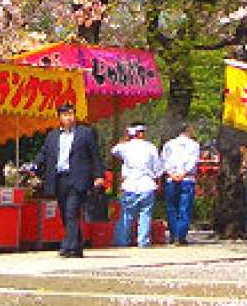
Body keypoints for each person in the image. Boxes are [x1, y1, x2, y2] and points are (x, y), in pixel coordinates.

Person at [34, 101, 104, 258]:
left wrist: (99, 175)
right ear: (59, 117)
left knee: (72, 212)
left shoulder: (85, 133)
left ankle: (68, 246)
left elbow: (95, 155)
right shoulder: (52, 136)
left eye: (71, 114)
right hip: (59, 178)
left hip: (77, 178)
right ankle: (77, 244)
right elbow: (44, 154)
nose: (69, 118)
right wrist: (34, 166)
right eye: (65, 115)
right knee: (65, 213)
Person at [111, 123, 163, 248]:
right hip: (147, 184)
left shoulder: (125, 147)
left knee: (126, 215)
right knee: (145, 215)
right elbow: (158, 168)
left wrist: (125, 138)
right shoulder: (150, 147)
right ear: (140, 133)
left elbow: (113, 150)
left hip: (130, 185)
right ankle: (143, 242)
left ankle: (122, 241)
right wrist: (158, 182)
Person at [161, 123, 201, 246]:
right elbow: (193, 161)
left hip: (171, 179)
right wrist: (183, 173)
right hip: (187, 179)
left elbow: (163, 161)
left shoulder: (168, 144)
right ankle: (181, 236)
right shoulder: (194, 145)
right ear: (188, 130)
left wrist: (172, 174)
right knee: (184, 208)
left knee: (172, 208)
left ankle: (174, 235)